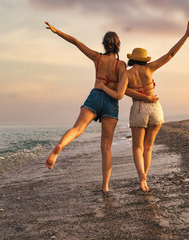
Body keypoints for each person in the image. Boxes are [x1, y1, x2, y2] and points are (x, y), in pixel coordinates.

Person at [44, 22, 157, 192]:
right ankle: (105, 186)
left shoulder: (97, 58)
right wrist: (146, 97)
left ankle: (60, 146)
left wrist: (56, 31)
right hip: (111, 103)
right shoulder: (121, 66)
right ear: (118, 46)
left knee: (77, 129)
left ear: (104, 44)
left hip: (95, 96)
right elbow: (123, 91)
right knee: (106, 148)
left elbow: (76, 42)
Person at [95, 21, 189, 191]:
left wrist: (105, 86)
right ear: (144, 59)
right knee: (148, 148)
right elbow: (170, 54)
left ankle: (141, 175)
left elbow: (122, 91)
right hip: (156, 109)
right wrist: (185, 36)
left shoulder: (127, 74)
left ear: (132, 59)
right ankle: (145, 178)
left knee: (138, 147)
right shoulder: (150, 69)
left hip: (139, 110)